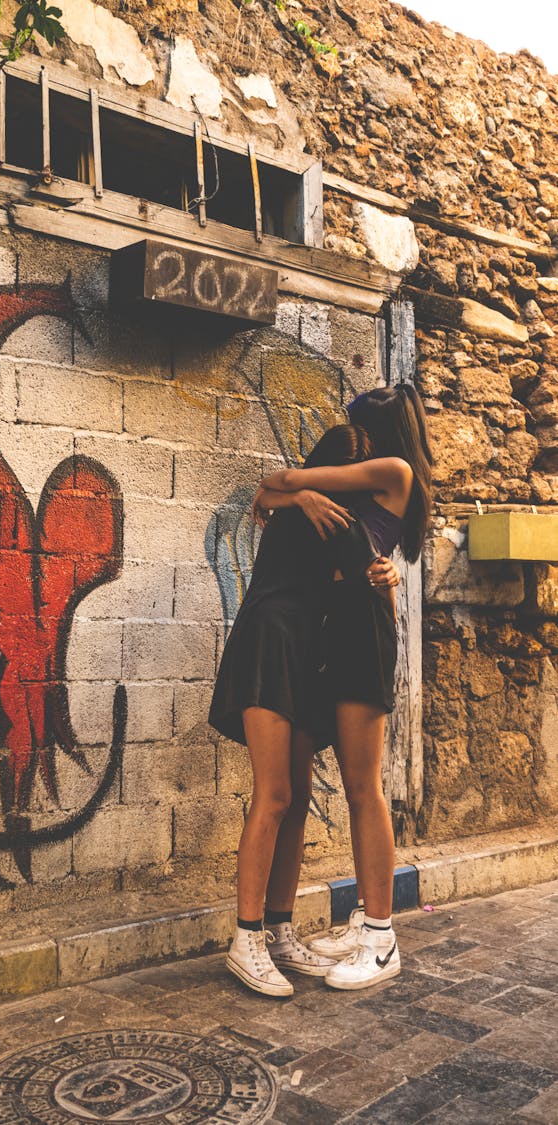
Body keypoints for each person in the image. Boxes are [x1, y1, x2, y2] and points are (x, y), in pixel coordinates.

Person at [241, 383, 433, 993]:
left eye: (355, 427)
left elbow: (282, 479)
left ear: (374, 430)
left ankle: (380, 936)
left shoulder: (394, 468)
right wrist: (299, 496)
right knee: (335, 787)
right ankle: (363, 924)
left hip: (361, 630)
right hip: (334, 626)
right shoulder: (373, 480)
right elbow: (273, 492)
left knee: (362, 786)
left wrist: (301, 491)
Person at [209, 422, 403, 997]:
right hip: (271, 645)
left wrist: (383, 570)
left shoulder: (317, 509)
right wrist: (298, 498)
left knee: (291, 799)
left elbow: (265, 496)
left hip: (301, 654)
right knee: (274, 796)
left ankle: (278, 929)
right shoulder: (320, 511)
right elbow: (266, 496)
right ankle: (246, 940)